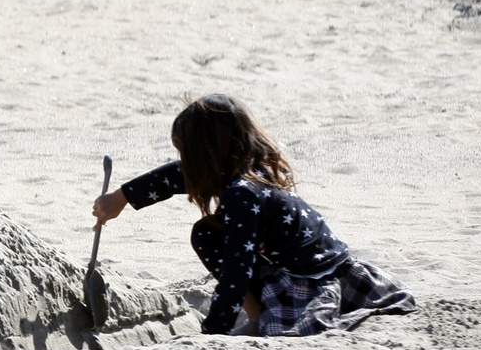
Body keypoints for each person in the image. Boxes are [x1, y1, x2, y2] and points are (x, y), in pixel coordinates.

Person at [91, 95, 415, 336]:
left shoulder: (242, 193)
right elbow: (178, 176)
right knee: (206, 231)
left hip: (313, 281)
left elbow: (236, 274)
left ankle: (258, 318)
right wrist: (121, 197)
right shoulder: (249, 168)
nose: (184, 164)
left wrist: (213, 334)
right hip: (313, 265)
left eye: (186, 154)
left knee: (211, 237)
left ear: (208, 155)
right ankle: (258, 313)